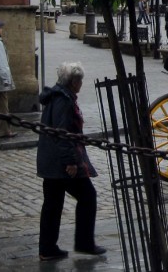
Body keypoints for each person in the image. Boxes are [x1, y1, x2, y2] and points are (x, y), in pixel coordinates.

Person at [38, 62, 106, 260]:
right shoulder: (64, 101)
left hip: (49, 160)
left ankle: (47, 248)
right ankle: (84, 243)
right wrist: (71, 162)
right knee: (88, 196)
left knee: (52, 203)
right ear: (73, 81)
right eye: (80, 80)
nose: (81, 84)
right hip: (60, 162)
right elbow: (63, 132)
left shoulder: (56, 96)